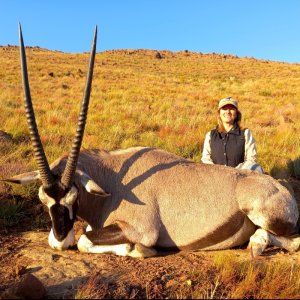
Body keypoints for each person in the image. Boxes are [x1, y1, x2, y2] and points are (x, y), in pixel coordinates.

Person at [201, 96, 264, 173]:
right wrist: (217, 172)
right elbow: (205, 159)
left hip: (239, 176)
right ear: (219, 113)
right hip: (215, 175)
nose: (228, 112)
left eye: (231, 109)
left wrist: (235, 173)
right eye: (224, 109)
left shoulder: (245, 133)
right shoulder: (210, 135)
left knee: (257, 169)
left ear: (236, 113)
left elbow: (251, 159)